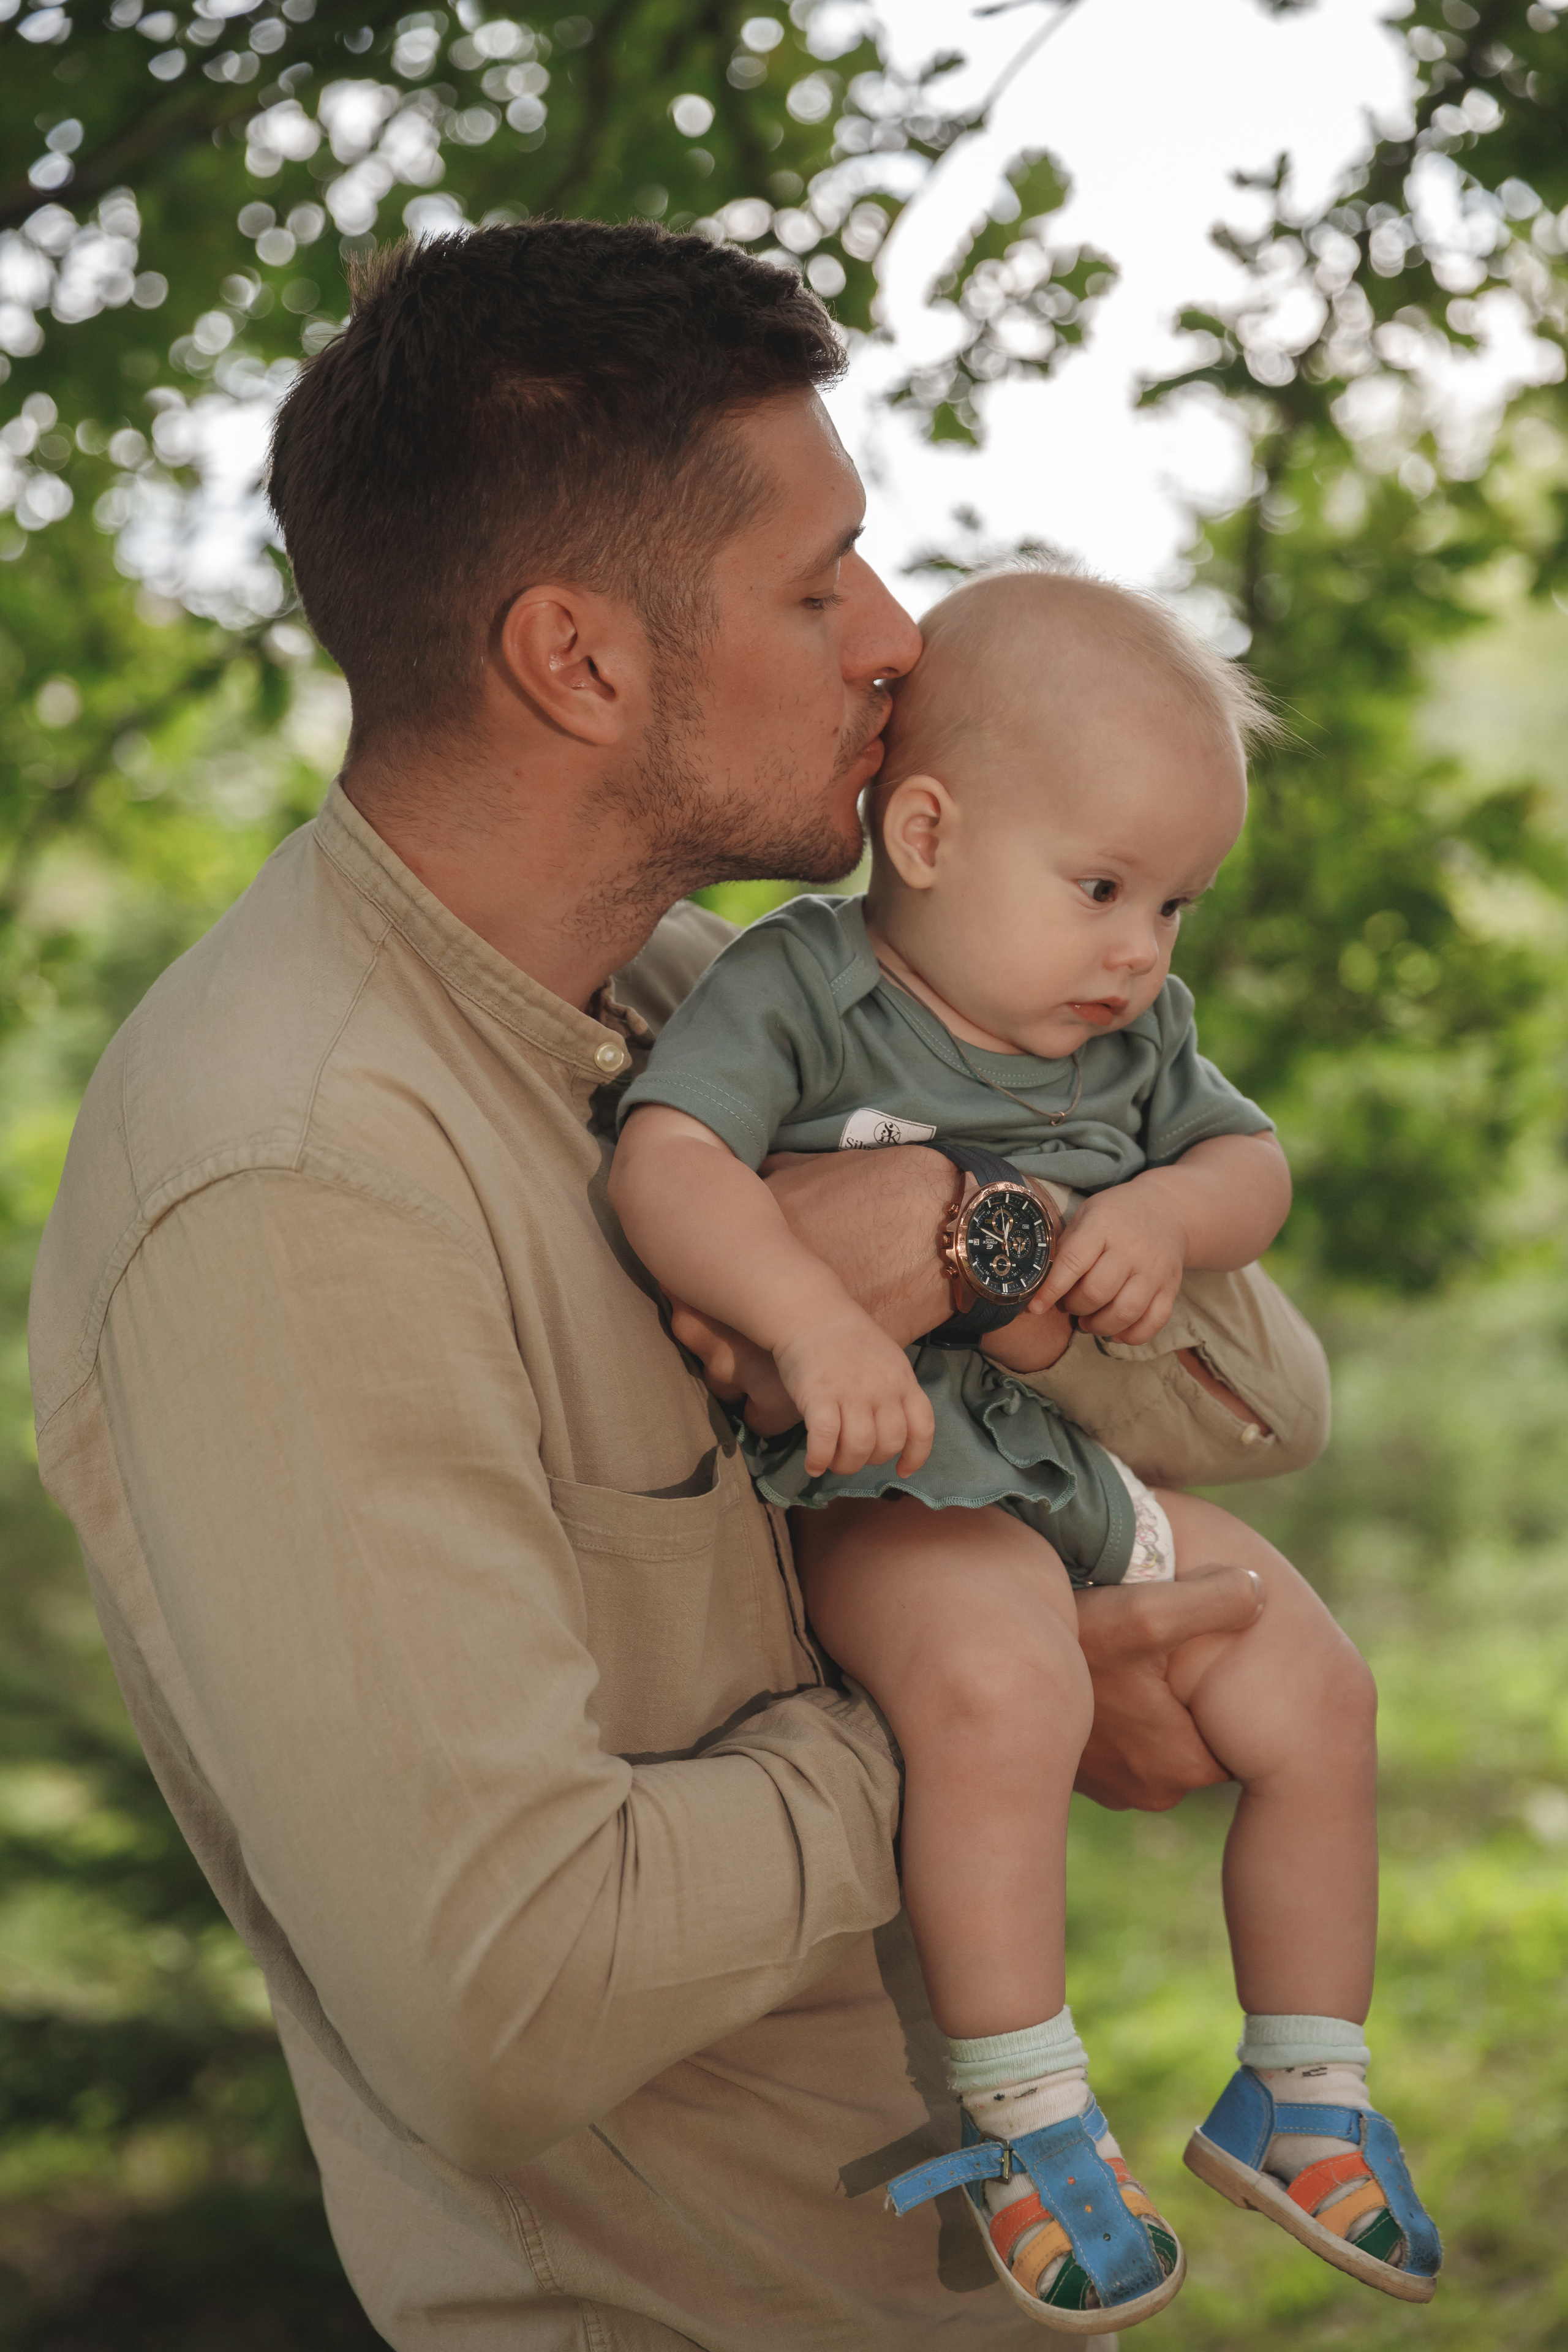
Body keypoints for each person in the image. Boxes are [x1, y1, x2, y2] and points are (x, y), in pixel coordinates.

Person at [29, 222, 1328, 2351]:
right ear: (581, 661)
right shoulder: (296, 1177)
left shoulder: (716, 998)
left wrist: (965, 1238)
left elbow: (1264, 1403)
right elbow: (504, 2004)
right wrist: (1003, 1698)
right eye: (821, 586)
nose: (898, 643)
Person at [609, 570, 1442, 2328]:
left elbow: (1257, 1164)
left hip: (1060, 1470)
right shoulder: (803, 986)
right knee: (1001, 1682)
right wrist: (822, 1315)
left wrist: (1171, 1209)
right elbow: (669, 1162)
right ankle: (1022, 2114)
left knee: (1318, 1689)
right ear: (924, 829)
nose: (1143, 949)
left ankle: (1301, 2089)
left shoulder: (1134, 1038)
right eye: (1102, 890)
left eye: (1173, 906)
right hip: (885, 1474)